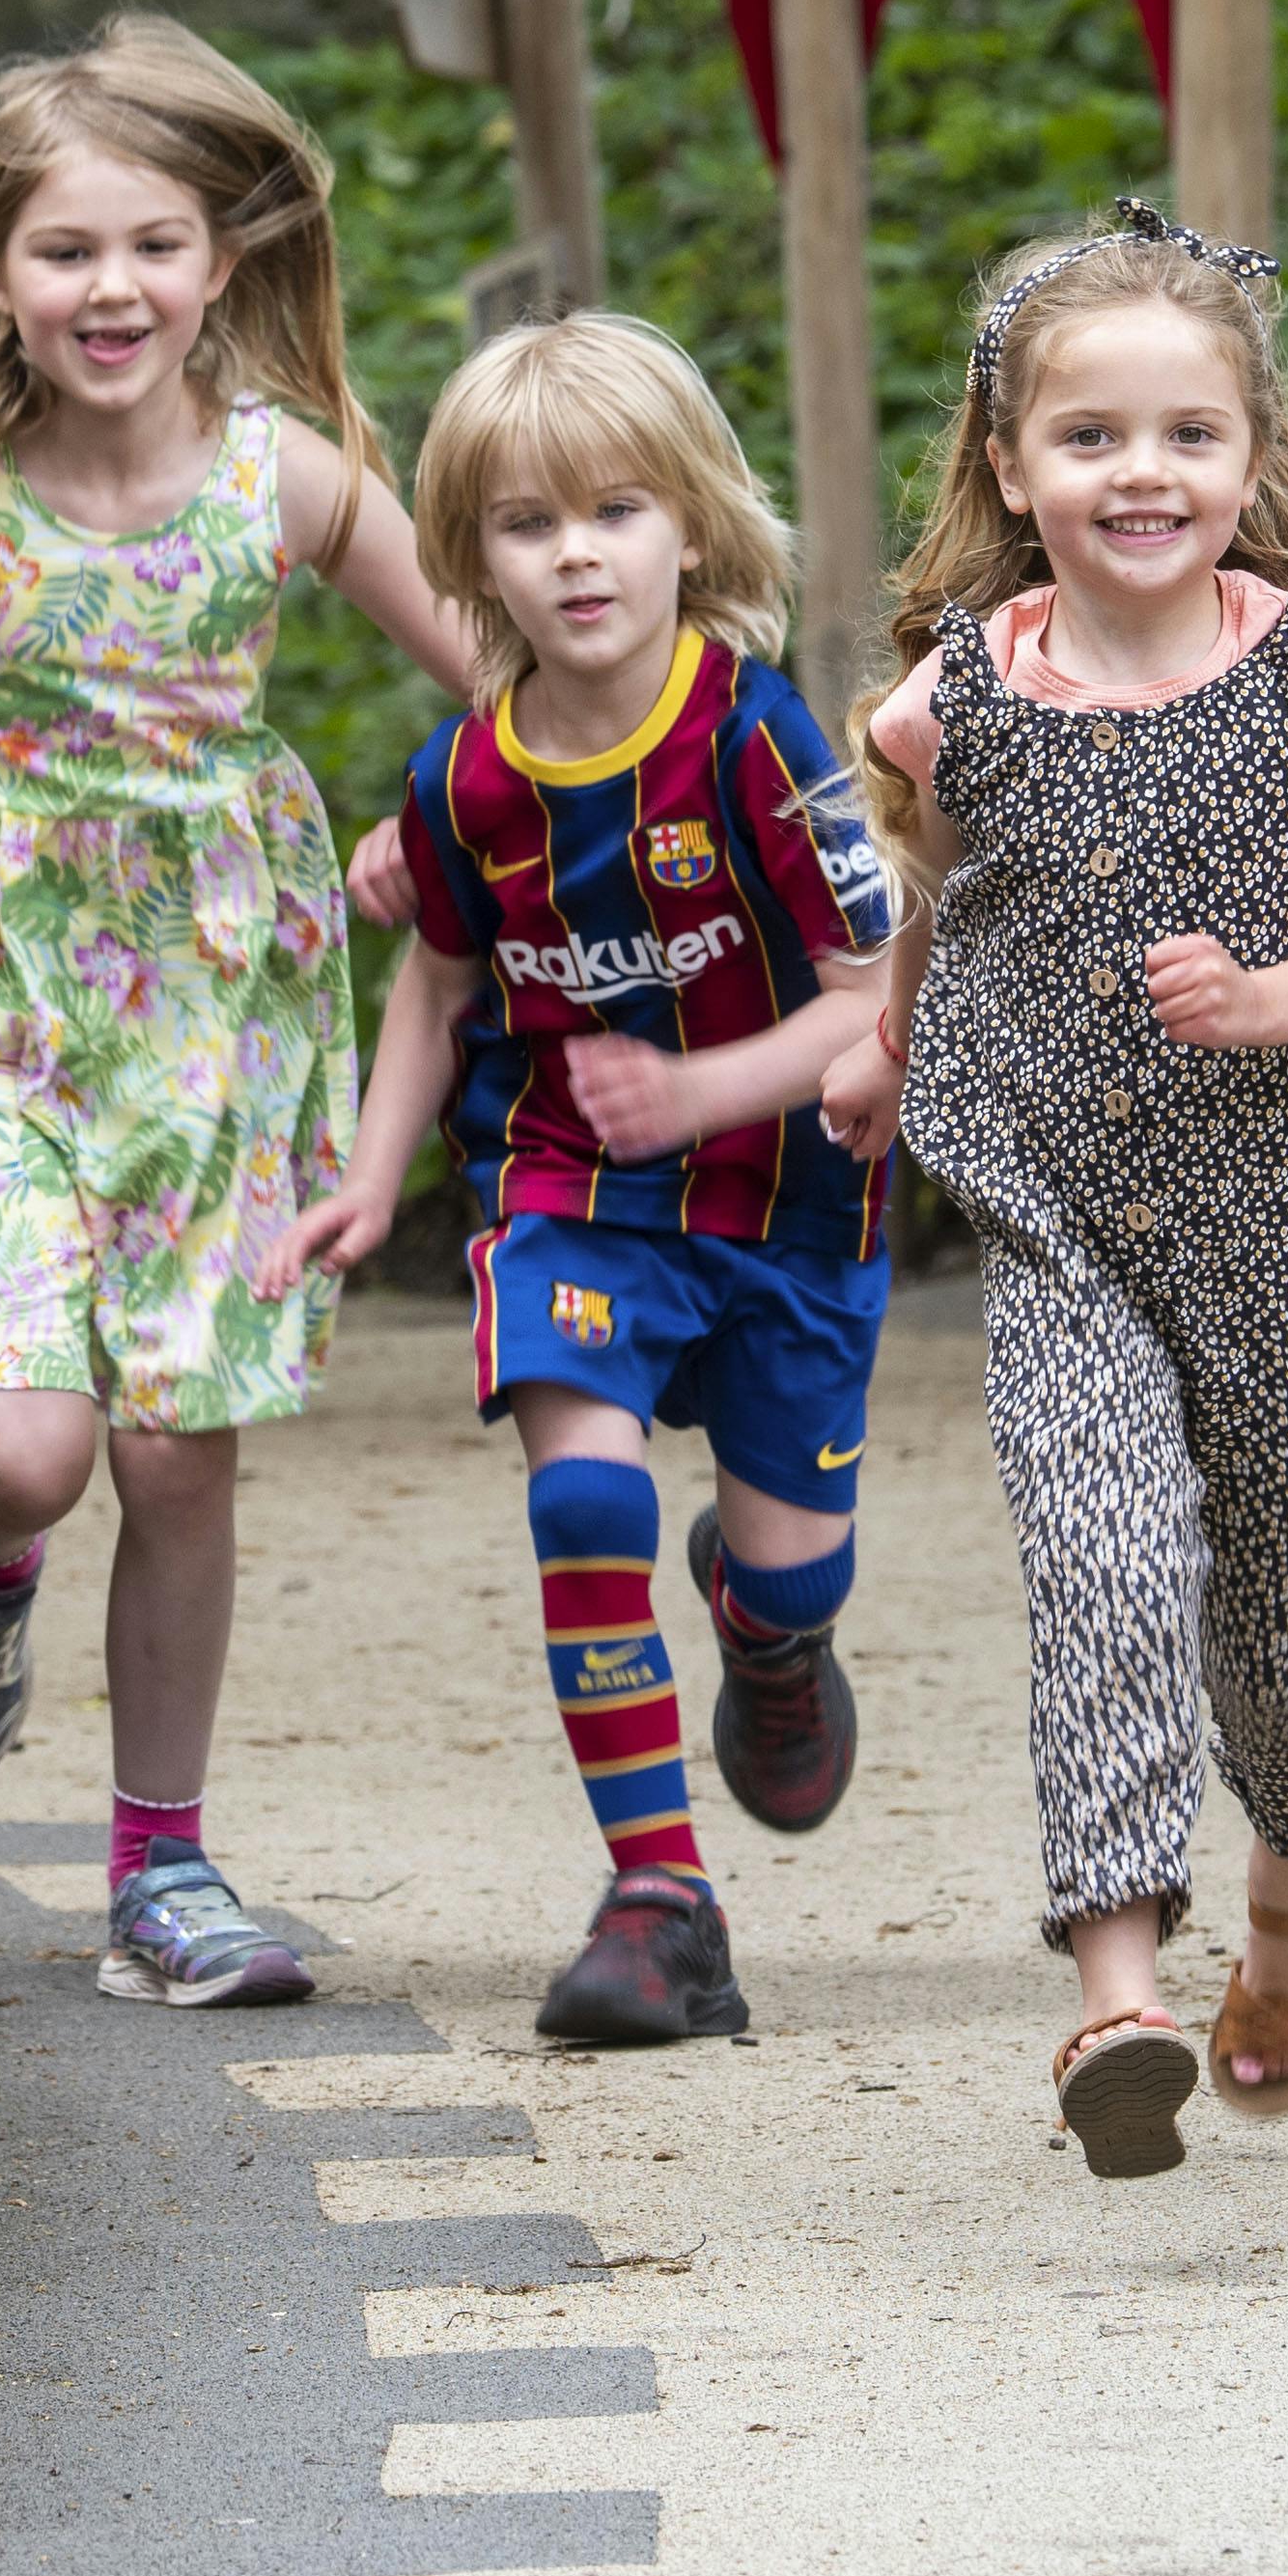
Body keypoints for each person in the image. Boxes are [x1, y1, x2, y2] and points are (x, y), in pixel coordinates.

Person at [0, 17, 477, 2010]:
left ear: (218, 261)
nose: (109, 288)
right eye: (63, 251)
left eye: (151, 245)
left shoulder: (288, 481)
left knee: (181, 1452)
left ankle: (161, 1870)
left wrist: (427, 824)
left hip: (212, 1003)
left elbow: (505, 684)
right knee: (34, 1451)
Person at [823, 205, 1288, 2180]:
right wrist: (886, 1040)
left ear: (1249, 461)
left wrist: (1265, 998)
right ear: (1010, 468)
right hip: (1056, 1209)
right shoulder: (953, 697)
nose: (1140, 472)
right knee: (1095, 1555)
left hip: (1277, 1226)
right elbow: (949, 897)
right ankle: (1115, 1988)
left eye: (1187, 434)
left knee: (1269, 1617)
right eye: (1089, 436)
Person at [292, 315, 903, 2049]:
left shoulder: (762, 745)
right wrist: (370, 1178)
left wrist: (700, 1088)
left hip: (786, 1207)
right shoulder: (461, 781)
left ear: (689, 528)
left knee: (794, 1578)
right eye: (528, 522)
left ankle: (766, 1635)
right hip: (569, 1191)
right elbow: (437, 985)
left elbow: (874, 996)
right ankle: (660, 1902)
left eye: (616, 511)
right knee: (579, 1505)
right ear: (471, 557)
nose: (578, 554)